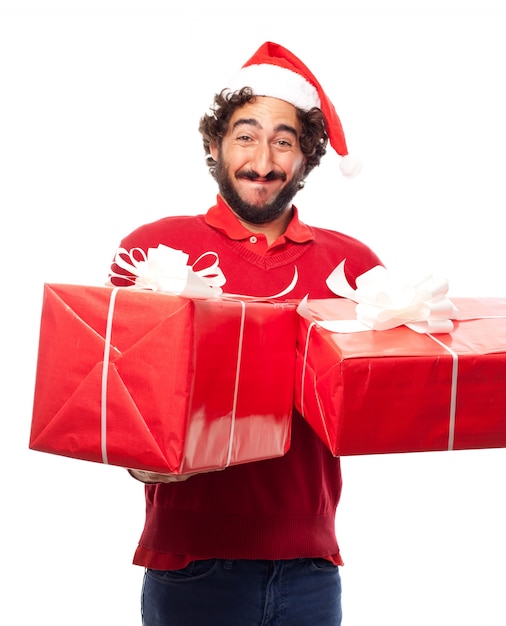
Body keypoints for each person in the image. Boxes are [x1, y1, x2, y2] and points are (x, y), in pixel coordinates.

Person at [110, 42, 382, 626]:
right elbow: (120, 401)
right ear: (214, 145)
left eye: (284, 141)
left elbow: (375, 403)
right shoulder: (152, 250)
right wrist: (143, 460)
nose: (263, 159)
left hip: (310, 564)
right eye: (245, 135)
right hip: (190, 563)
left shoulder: (354, 266)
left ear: (306, 158)